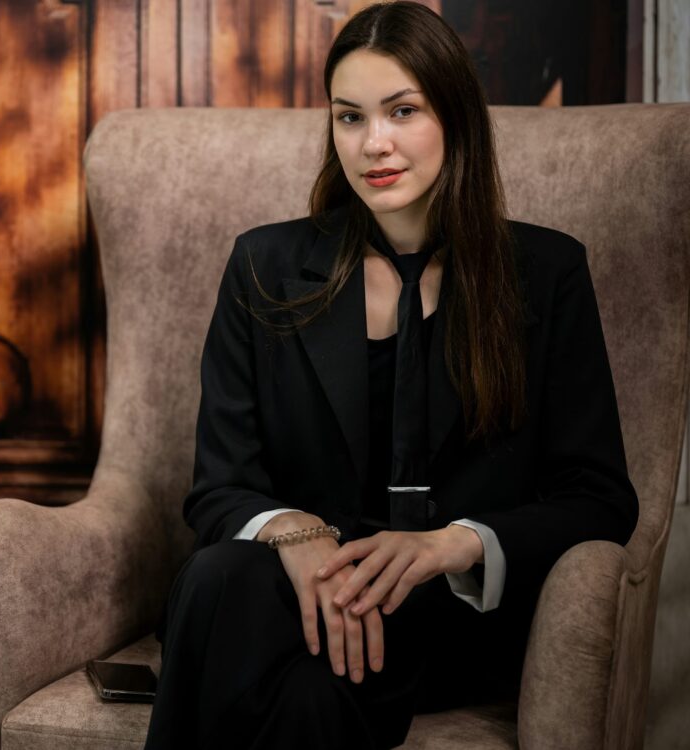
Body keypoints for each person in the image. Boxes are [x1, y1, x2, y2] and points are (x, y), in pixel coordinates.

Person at [143, 3, 638, 748]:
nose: (374, 143)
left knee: (236, 610)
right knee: (228, 587)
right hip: (285, 605)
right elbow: (219, 485)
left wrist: (449, 545)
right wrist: (296, 534)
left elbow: (599, 499)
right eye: (350, 117)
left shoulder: (546, 273)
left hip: (449, 624)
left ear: (456, 117)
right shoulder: (264, 265)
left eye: (403, 110)